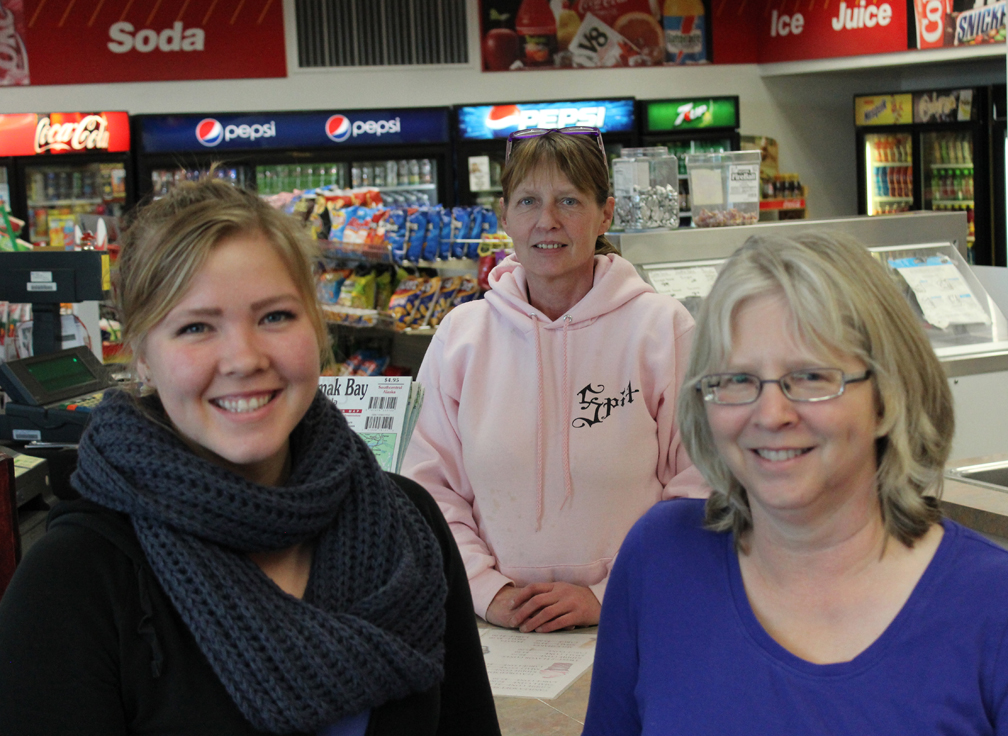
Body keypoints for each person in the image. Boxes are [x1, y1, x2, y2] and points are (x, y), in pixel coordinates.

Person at [0, 180, 500, 736]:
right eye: (195, 327)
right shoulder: (74, 584)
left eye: (275, 317)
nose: (243, 359)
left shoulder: (407, 522)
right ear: (141, 356)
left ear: (316, 324)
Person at [583, 233, 1008, 734]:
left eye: (809, 377)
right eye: (736, 379)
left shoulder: (990, 605)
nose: (771, 414)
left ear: (888, 394)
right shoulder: (659, 561)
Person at [402, 128, 706, 635]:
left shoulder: (664, 329)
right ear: (504, 217)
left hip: (639, 618)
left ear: (605, 213)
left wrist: (610, 596)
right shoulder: (462, 336)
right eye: (528, 201)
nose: (548, 222)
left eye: (569, 200)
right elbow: (428, 487)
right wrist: (488, 591)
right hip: (493, 629)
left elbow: (701, 483)